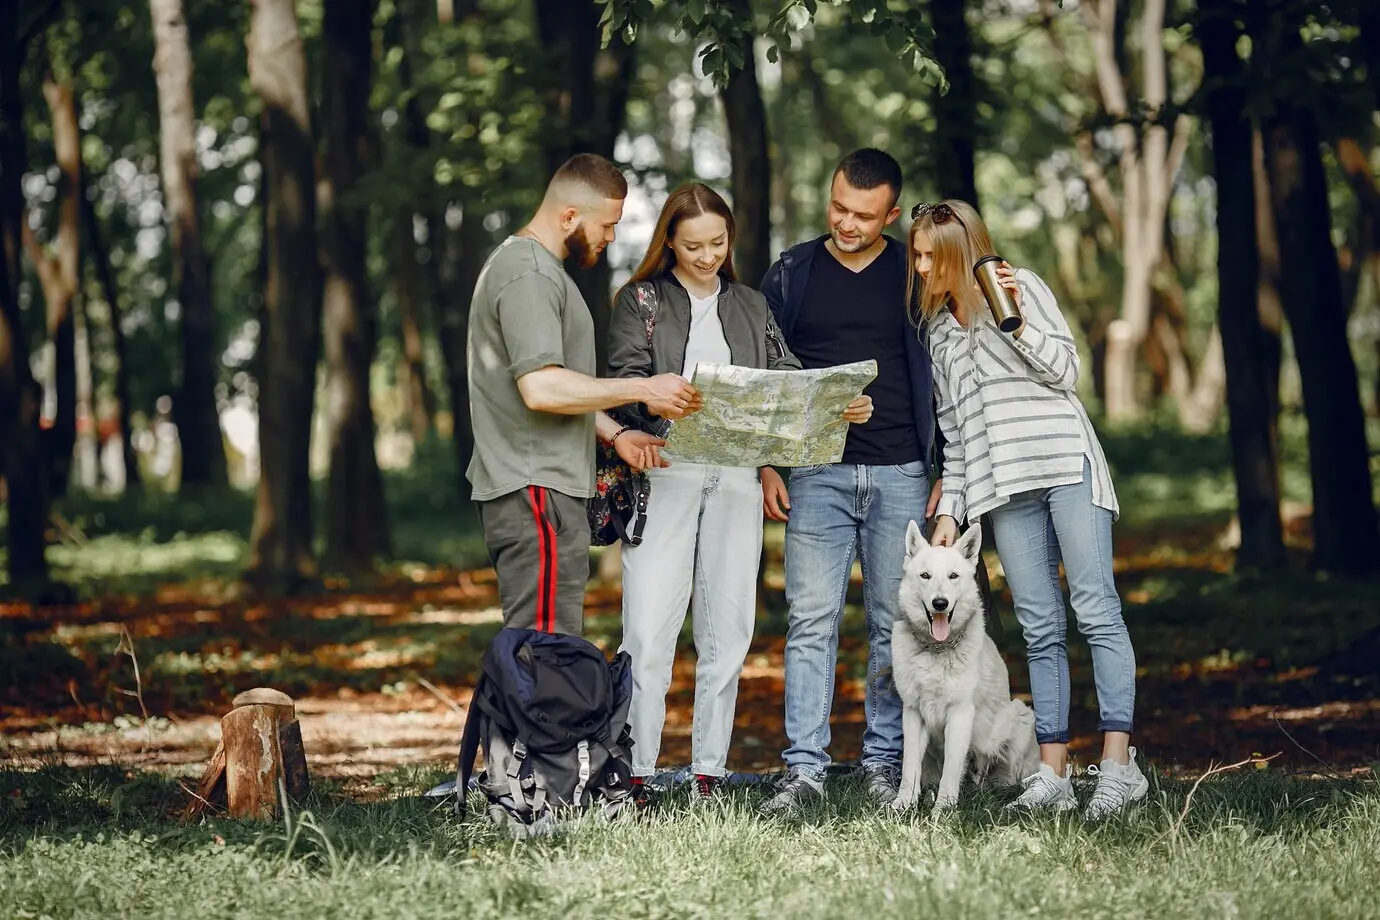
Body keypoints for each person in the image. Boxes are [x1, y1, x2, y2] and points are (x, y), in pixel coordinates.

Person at [606, 182, 875, 799]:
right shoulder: (641, 300)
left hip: (735, 481)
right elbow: (622, 383)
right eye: (693, 245)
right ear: (668, 240)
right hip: (664, 472)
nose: (707, 256)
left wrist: (836, 409)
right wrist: (656, 401)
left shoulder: (752, 305)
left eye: (718, 243)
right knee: (648, 628)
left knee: (728, 627)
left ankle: (708, 771)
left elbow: (784, 382)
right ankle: (637, 772)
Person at [909, 198, 1147, 818]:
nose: (920, 266)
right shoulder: (937, 335)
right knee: (1040, 628)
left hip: (1066, 467)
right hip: (1002, 490)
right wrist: (949, 514)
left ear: (963, 254)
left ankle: (1120, 768)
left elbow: (1066, 371)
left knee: (1095, 608)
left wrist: (1015, 323)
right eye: (917, 253)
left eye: (932, 256)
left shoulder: (1022, 289)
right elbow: (958, 437)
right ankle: (1054, 775)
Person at [756, 149, 942, 813]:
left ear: (890, 214)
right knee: (811, 621)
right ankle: (803, 768)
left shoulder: (910, 271)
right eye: (838, 207)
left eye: (864, 215)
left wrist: (944, 469)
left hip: (901, 471)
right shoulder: (792, 272)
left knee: (896, 622)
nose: (847, 222)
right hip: (815, 474)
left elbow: (944, 367)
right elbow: (764, 376)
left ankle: (883, 762)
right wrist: (766, 463)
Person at [465, 153, 702, 637]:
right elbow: (541, 387)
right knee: (544, 653)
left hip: (543, 486)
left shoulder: (534, 269)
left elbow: (556, 385)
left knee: (543, 650)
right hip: (536, 489)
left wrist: (616, 435)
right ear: (569, 216)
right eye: (608, 225)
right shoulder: (529, 274)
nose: (612, 237)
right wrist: (643, 387)